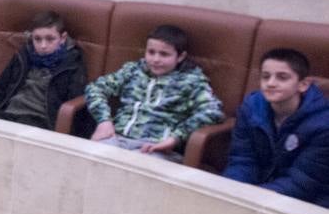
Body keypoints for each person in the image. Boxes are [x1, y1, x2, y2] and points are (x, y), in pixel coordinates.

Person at [84, 24, 224, 157]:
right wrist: (104, 121)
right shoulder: (133, 70)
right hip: (116, 137)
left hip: (155, 146)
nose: (155, 59)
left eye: (164, 54)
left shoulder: (192, 81)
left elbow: (212, 111)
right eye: (151, 52)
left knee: (133, 170)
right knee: (90, 156)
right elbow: (95, 88)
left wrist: (176, 137)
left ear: (180, 57)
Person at [222, 48, 329, 207]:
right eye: (265, 77)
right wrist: (230, 190)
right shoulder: (250, 108)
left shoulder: (323, 124)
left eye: (282, 77)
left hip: (311, 199)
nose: (271, 83)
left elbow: (304, 181)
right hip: (262, 189)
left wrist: (253, 199)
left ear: (303, 84)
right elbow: (243, 159)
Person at [0, 11, 86, 131]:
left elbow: (75, 103)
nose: (43, 46)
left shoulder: (71, 63)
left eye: (50, 39)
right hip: (8, 115)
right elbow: (0, 88)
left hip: (41, 122)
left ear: (63, 38)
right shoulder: (23, 55)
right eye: (37, 39)